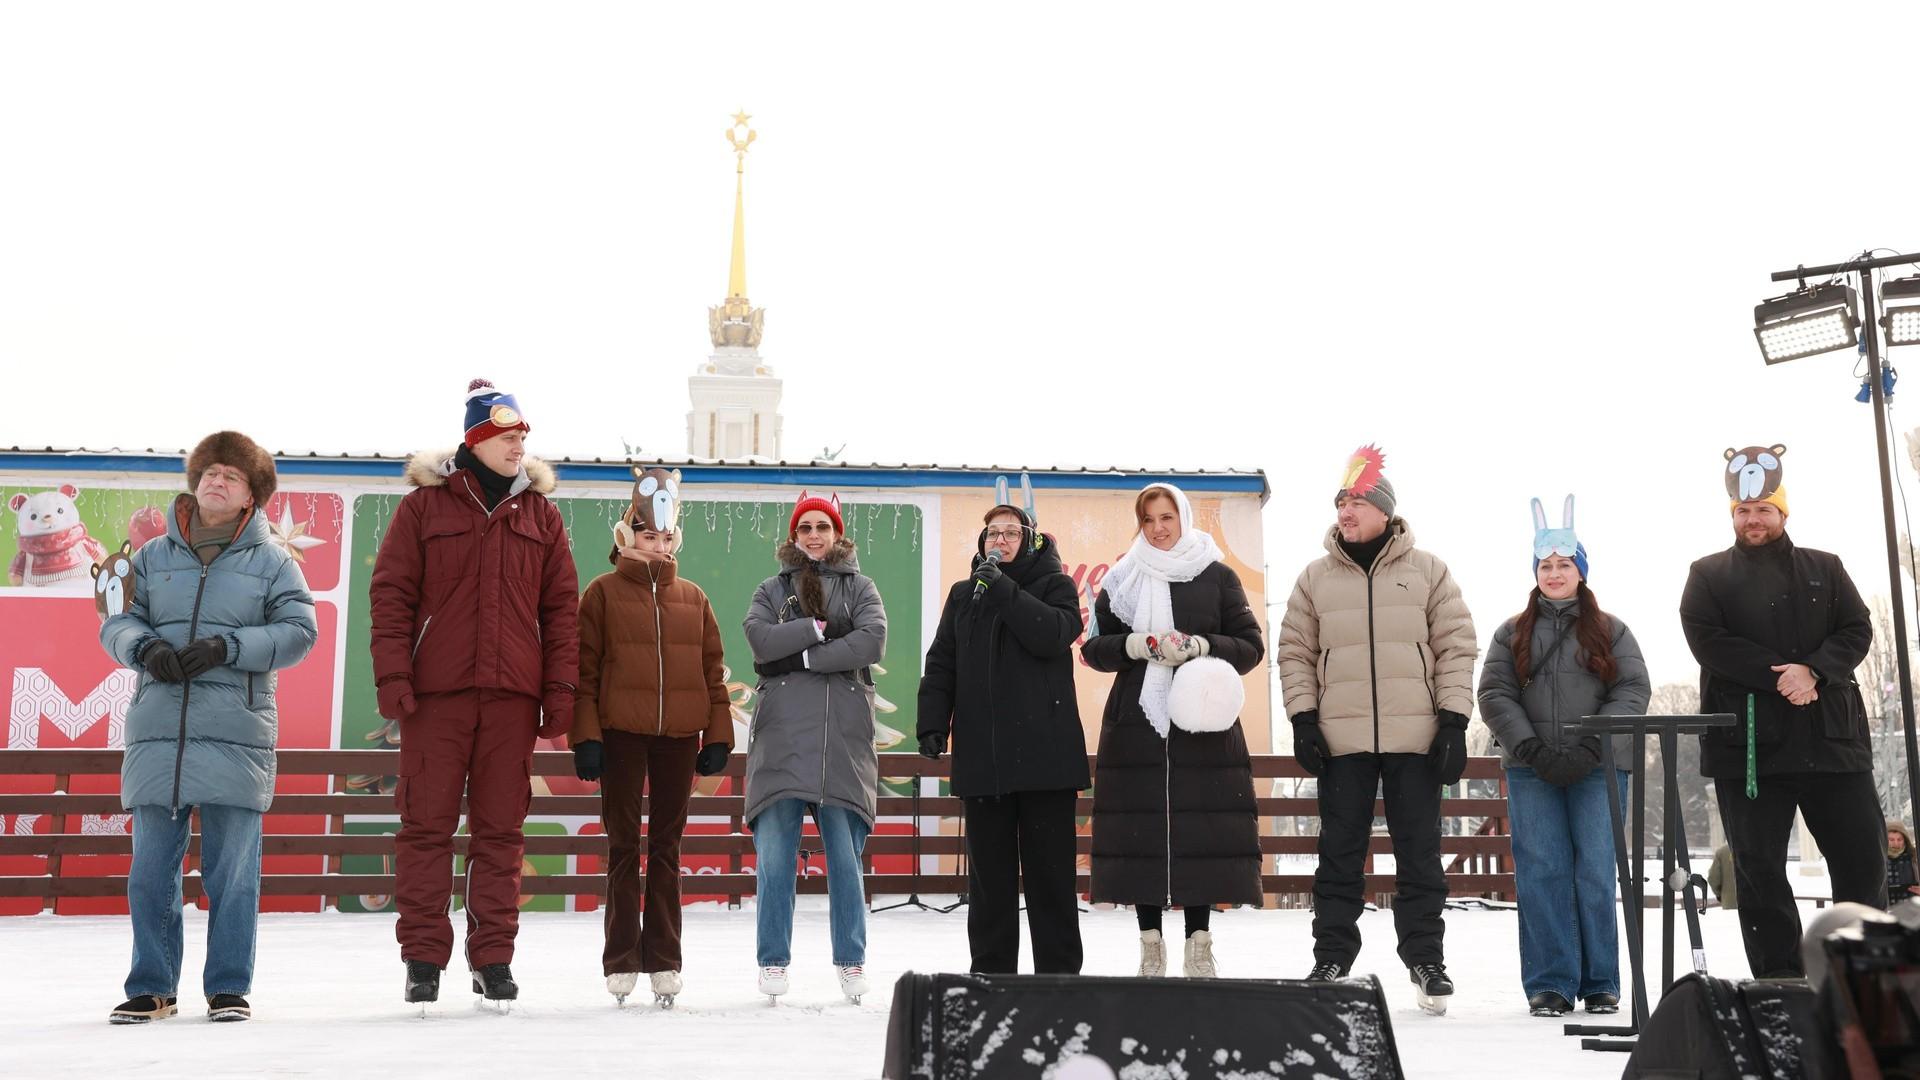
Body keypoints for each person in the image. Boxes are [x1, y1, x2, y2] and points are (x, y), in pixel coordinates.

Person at [368, 379, 580, 1006]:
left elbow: (561, 612)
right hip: (436, 696)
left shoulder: (541, 516)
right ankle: (423, 959)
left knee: (501, 833)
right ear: (476, 440)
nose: (519, 447)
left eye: (523, 437)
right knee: (425, 828)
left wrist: (558, 690)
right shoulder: (423, 509)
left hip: (512, 698)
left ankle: (493, 958)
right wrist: (394, 677)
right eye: (507, 436)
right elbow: (391, 596)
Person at [99, 431, 318, 1023]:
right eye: (210, 472)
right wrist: (144, 648)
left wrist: (229, 647)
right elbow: (116, 620)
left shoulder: (274, 561)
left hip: (236, 734)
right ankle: (152, 987)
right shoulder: (151, 556)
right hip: (159, 735)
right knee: (150, 874)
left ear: (251, 495)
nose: (217, 481)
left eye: (232, 476)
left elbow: (300, 632)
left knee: (233, 875)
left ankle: (227, 987)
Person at [1276, 445, 1477, 1014]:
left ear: (1385, 512)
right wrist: (1303, 719)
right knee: (1339, 855)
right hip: (1342, 742)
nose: (1345, 511)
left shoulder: (1428, 571)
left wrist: (1453, 721)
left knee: (1420, 856)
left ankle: (1425, 959)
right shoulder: (1314, 578)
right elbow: (1295, 652)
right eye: (1340, 502)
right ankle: (1332, 956)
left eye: (1357, 502)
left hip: (1416, 739)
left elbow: (1456, 646)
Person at [1680, 443, 1886, 978]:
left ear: (1783, 512)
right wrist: (1783, 676)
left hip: (1832, 743)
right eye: (1744, 510)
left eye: (1764, 509)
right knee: (1759, 872)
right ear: (1733, 514)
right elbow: (1708, 641)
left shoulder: (1826, 567)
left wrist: (1814, 670)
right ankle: (1781, 983)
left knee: (1862, 866)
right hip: (1749, 750)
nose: (1754, 519)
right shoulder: (1707, 574)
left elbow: (1856, 629)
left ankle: (1861, 978)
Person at [1082, 482, 1265, 979]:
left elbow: (1250, 646)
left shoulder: (1217, 574)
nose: (1158, 529)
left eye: (1167, 517)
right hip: (1136, 724)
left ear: (1183, 517)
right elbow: (1094, 649)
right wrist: (1136, 645)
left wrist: (1201, 646)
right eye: (1148, 520)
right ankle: (1150, 944)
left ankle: (1199, 945)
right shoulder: (1123, 576)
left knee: (1200, 829)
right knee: (1139, 830)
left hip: (1202, 721)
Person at [1476, 495, 1649, 1018]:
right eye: (1545, 565)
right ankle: (1550, 981)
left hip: (1598, 768)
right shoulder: (1512, 632)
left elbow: (1632, 690)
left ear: (1581, 571)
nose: (1554, 573)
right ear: (1534, 572)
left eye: (1564, 564)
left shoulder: (1611, 630)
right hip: (1533, 768)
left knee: (1594, 870)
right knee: (1542, 870)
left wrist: (1592, 745)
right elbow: (1495, 693)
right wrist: (1529, 747)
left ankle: (1600, 980)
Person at [569, 468, 733, 1008]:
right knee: (623, 847)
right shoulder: (601, 593)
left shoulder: (694, 597)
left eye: (665, 537)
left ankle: (664, 960)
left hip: (678, 737)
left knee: (666, 848)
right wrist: (586, 736)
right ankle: (621, 960)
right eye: (647, 536)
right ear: (627, 535)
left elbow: (713, 672)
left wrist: (717, 735)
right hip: (620, 735)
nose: (658, 546)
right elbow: (584, 671)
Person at [916, 503, 1090, 975]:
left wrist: (1003, 589)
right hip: (984, 761)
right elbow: (942, 662)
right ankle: (992, 979)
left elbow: (1051, 635)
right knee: (989, 884)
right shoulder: (963, 595)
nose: (1001, 541)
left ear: (1030, 540)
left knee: (1050, 880)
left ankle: (1059, 981)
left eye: (1012, 533)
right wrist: (932, 724)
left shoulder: (1056, 586)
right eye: (993, 533)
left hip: (1046, 763)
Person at [742, 491, 887, 1004]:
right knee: (775, 857)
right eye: (805, 528)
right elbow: (760, 640)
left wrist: (802, 657)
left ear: (837, 532)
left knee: (845, 860)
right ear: (794, 535)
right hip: (781, 737)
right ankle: (773, 960)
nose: (814, 536)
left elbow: (871, 640)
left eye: (823, 526)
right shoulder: (771, 588)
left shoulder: (861, 587)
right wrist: (817, 629)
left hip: (841, 739)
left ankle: (851, 960)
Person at [1888, 823, 1920, 908]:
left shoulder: (1915, 858)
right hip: (1885, 909)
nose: (1896, 843)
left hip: (1913, 908)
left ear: (1905, 840)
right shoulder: (1879, 860)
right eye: (1891, 839)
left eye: (1899, 839)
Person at [1707, 844, 1739, 910]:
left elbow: (1713, 877)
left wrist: (1718, 894)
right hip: (1755, 903)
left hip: (1730, 902)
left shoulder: (1722, 852)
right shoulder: (1755, 848)